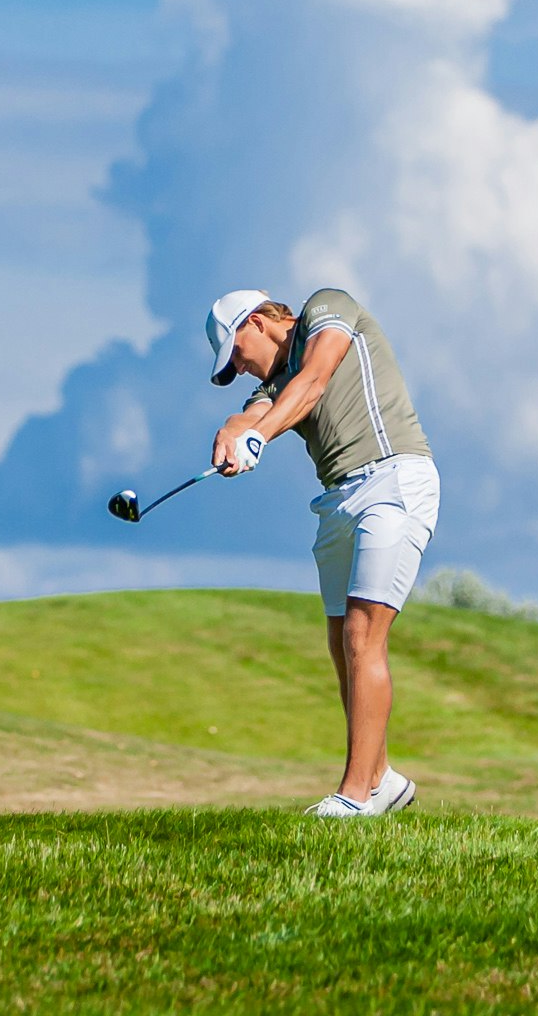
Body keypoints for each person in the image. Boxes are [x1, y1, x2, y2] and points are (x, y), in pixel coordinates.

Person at [205, 287, 439, 818]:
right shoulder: (272, 384)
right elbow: (252, 414)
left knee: (363, 633)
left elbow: (314, 381)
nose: (240, 369)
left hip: (394, 477)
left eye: (236, 355)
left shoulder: (325, 309)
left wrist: (259, 435)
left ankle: (354, 797)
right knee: (341, 643)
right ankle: (381, 780)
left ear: (257, 324)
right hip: (337, 500)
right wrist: (230, 432)